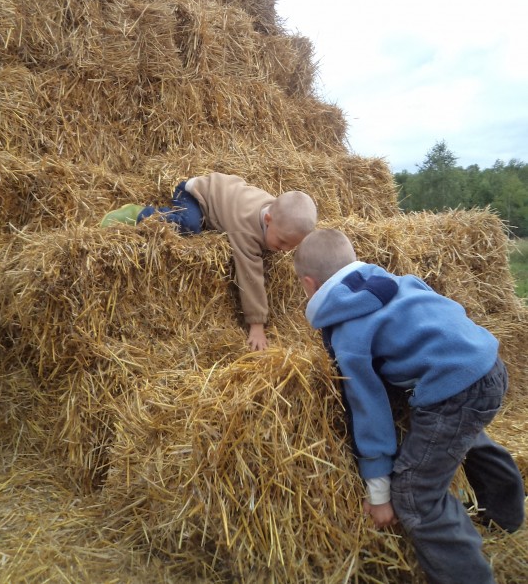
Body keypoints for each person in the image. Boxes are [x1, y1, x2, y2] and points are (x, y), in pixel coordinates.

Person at [293, 228, 525, 584]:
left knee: (416, 495)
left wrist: (380, 492)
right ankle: (507, 516)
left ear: (309, 285)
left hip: (454, 392)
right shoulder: (397, 281)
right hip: (487, 366)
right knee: (463, 436)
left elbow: (367, 410)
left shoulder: (349, 334)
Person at [101, 173, 317, 351]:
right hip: (195, 194)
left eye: (292, 246)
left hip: (224, 191)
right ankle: (137, 214)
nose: (285, 250)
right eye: (282, 242)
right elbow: (250, 275)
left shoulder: (276, 213)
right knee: (190, 226)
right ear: (268, 221)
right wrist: (257, 324)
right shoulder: (245, 227)